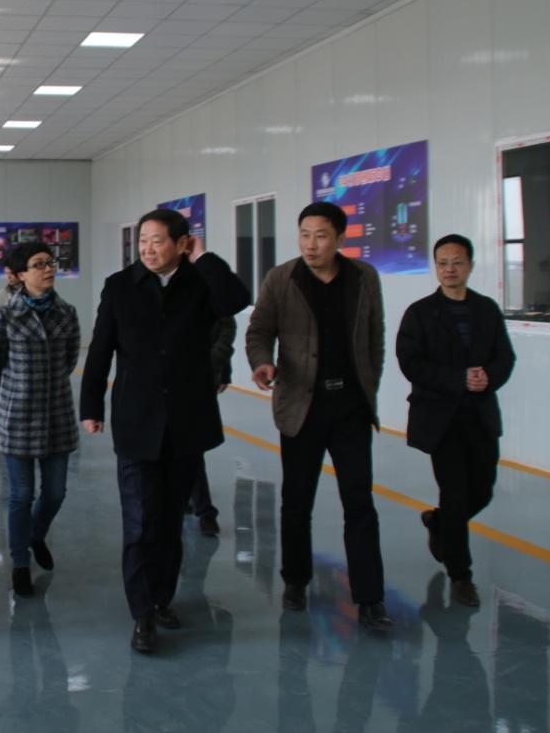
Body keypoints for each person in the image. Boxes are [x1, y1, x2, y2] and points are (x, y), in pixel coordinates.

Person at [80, 208, 249, 653]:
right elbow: (101, 347)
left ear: (182, 243)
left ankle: (161, 598)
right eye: (143, 241)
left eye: (158, 240)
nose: (148, 249)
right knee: (140, 521)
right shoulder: (120, 286)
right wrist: (91, 404)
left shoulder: (199, 282)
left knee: (171, 521)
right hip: (137, 418)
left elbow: (235, 300)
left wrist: (205, 258)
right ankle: (141, 613)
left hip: (186, 420)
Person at [245, 201, 391, 632]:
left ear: (341, 239)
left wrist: (369, 387)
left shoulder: (364, 278)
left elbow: (375, 337)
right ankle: (295, 580)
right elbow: (259, 329)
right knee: (296, 500)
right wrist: (262, 361)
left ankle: (370, 598)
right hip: (300, 406)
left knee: (359, 503)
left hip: (350, 408)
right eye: (305, 235)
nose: (311, 244)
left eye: (321, 236)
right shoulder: (281, 278)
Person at [396, 234, 515, 607]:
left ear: (470, 266)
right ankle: (461, 575)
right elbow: (410, 361)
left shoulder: (486, 309)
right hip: (441, 420)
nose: (449, 269)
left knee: (483, 490)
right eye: (442, 263)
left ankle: (439, 522)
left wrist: (488, 377)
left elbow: (505, 356)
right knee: (456, 494)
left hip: (479, 417)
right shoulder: (420, 313)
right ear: (436, 267)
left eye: (457, 262)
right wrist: (458, 378)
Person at [0, 242, 81, 598]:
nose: (48, 268)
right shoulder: (6, 315)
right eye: (38, 264)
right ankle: (20, 563)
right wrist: (16, 388)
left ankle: (36, 534)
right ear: (21, 275)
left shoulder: (67, 313)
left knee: (55, 492)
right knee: (21, 495)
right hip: (17, 417)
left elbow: (70, 360)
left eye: (50, 262)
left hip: (57, 415)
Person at [191, 315, 237, 537]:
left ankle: (203, 510)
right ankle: (202, 508)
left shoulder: (212, 300)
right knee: (186, 446)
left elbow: (223, 333)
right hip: (172, 377)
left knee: (192, 446)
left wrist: (223, 369)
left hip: (204, 379)